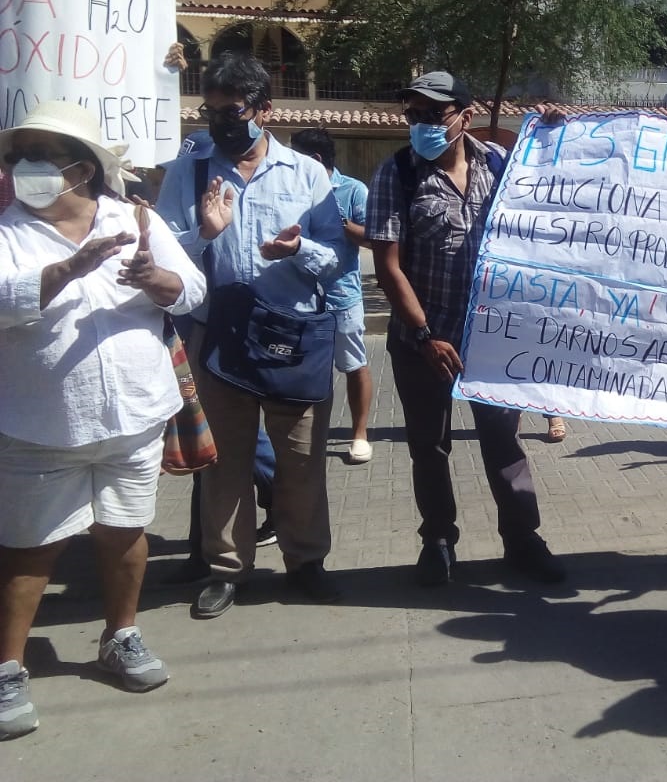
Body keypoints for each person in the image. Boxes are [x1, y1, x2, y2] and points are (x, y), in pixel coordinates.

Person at [0, 100, 206, 739]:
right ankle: (7, 667)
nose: (23, 167)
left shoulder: (136, 217)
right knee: (30, 549)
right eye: (17, 155)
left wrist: (157, 279)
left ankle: (121, 635)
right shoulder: (5, 230)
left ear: (81, 170)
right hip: (41, 425)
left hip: (135, 416)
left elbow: (192, 289)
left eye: (40, 155)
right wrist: (63, 272)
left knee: (124, 532)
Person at [156, 52, 346, 620]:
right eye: (210, 111)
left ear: (264, 110)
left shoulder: (307, 174)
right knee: (226, 464)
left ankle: (305, 561)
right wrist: (203, 233)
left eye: (232, 111)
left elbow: (338, 259)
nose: (220, 123)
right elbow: (162, 254)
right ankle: (227, 569)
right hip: (219, 340)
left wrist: (300, 250)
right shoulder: (188, 171)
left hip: (294, 339)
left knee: (301, 460)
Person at [366, 71, 563, 586]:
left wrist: (557, 139)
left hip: (492, 341)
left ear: (464, 116)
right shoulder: (398, 174)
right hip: (423, 342)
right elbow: (388, 265)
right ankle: (438, 541)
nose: (422, 125)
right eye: (414, 115)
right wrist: (426, 333)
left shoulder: (501, 165)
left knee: (503, 443)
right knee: (429, 447)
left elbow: (558, 192)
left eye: (434, 114)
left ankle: (523, 540)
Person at [160, 131, 280, 585]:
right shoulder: (180, 185)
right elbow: (168, 254)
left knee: (228, 440)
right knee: (204, 441)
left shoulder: (241, 184)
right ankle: (203, 551)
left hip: (240, 324)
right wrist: (203, 233)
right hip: (193, 324)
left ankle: (277, 497)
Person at [289, 127, 374, 465]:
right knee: (305, 371)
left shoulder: (353, 190)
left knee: (353, 364)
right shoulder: (291, 190)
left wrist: (342, 223)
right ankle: (308, 435)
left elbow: (372, 237)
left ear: (314, 159)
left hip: (342, 295)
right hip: (299, 297)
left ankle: (360, 434)